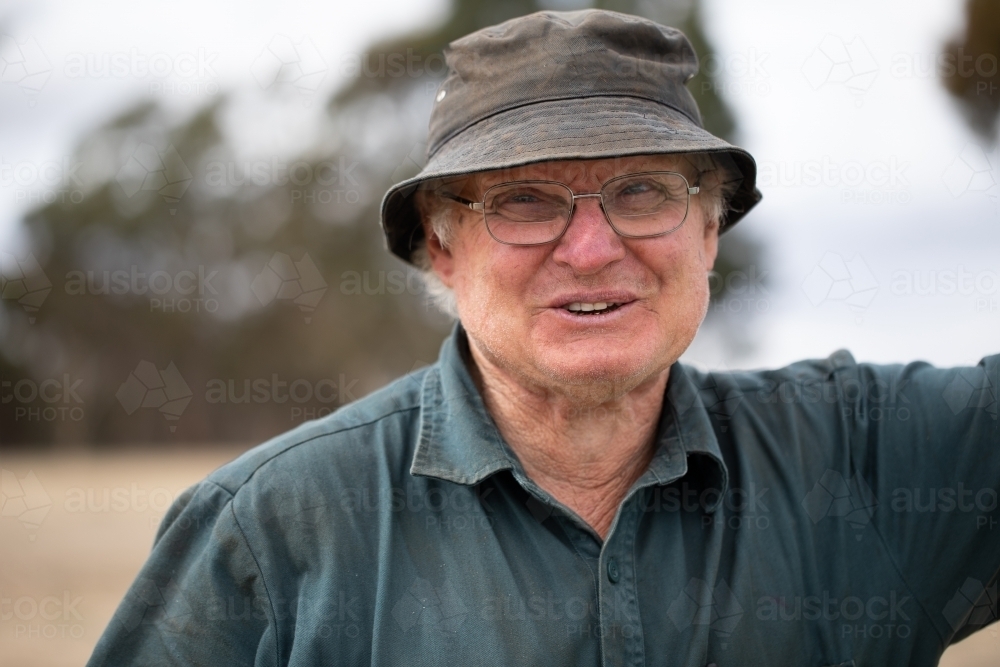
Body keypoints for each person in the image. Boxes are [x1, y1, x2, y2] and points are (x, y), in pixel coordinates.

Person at [88, 9, 999, 666]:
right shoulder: (273, 531)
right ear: (442, 247)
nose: (594, 249)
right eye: (525, 201)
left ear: (710, 231)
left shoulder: (867, 455)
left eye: (643, 191)